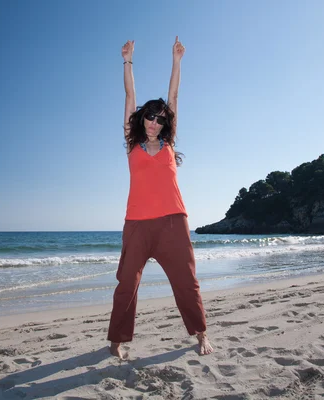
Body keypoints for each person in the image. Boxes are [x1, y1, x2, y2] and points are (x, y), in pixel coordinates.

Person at [107, 36, 213, 359]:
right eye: (149, 117)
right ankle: (117, 341)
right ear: (142, 120)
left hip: (172, 223)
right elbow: (129, 95)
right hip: (137, 224)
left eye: (159, 118)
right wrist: (127, 61)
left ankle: (201, 334)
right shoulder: (131, 144)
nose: (153, 123)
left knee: (186, 280)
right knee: (126, 282)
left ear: (164, 122)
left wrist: (176, 61)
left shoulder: (168, 145)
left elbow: (174, 96)